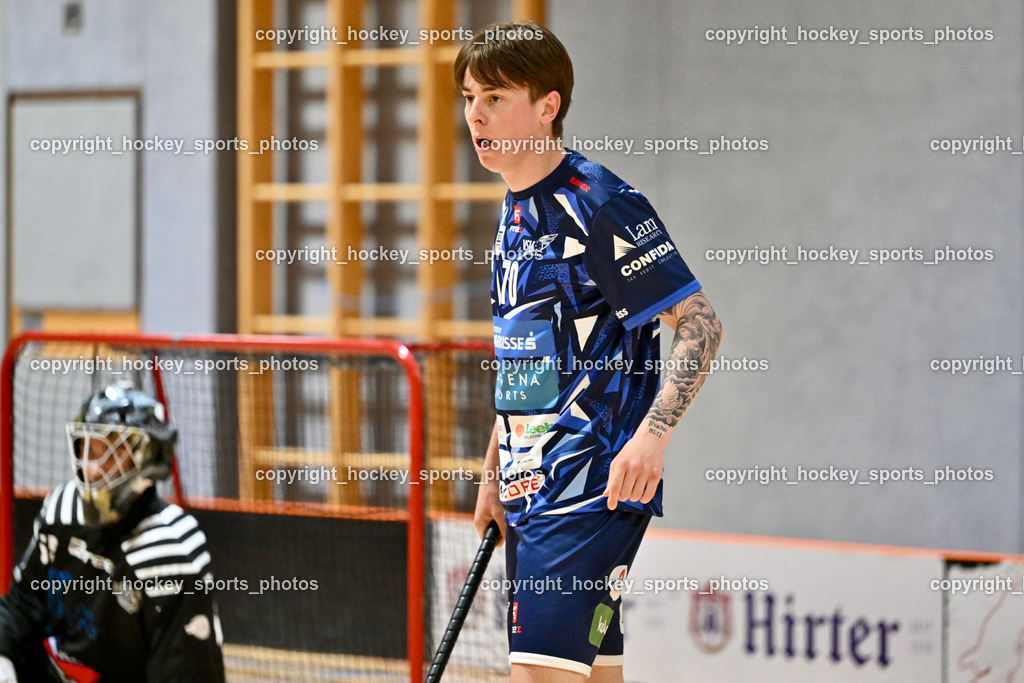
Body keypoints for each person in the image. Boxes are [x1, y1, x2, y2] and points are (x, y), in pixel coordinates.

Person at [456, 21, 723, 683]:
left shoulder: (600, 204)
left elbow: (702, 325)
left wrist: (651, 439)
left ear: (547, 106)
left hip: (587, 488)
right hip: (529, 489)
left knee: (539, 678)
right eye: (468, 98)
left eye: (494, 97)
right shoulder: (516, 209)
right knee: (596, 675)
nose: (475, 115)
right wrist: (495, 472)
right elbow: (527, 360)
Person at [0, 384, 225, 682]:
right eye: (87, 449)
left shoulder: (171, 546)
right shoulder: (61, 508)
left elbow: (186, 672)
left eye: (109, 452)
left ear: (145, 457)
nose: (92, 470)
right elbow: (23, 604)